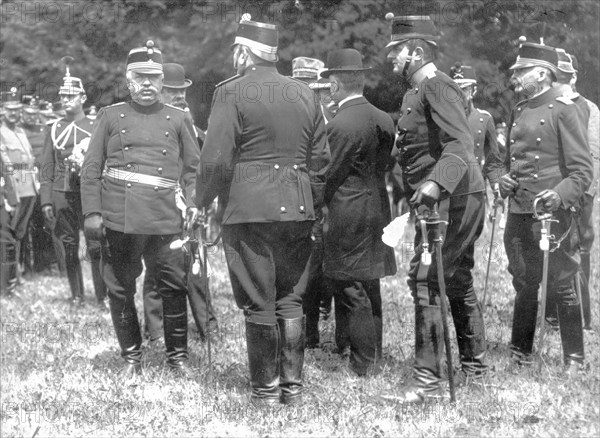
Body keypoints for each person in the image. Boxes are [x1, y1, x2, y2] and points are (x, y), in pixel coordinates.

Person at [195, 15, 330, 405]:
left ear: (242, 52)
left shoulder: (230, 92)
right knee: (290, 298)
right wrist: (313, 203)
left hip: (248, 211)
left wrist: (200, 203)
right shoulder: (305, 93)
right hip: (298, 210)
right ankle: (293, 389)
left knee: (258, 299)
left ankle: (265, 391)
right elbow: (321, 160)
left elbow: (215, 159)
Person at [384, 14, 489, 403]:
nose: (391, 59)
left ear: (417, 51)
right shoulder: (416, 91)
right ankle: (475, 368)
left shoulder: (438, 85)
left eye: (396, 52)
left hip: (453, 197)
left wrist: (433, 183)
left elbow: (460, 144)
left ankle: (426, 384)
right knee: (456, 279)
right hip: (448, 196)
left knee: (426, 279)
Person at [81, 40, 200, 377]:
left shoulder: (178, 119)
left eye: (154, 77)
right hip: (121, 218)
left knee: (174, 287)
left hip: (165, 219)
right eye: (140, 77)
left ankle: (177, 357)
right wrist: (92, 214)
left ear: (162, 81)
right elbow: (91, 168)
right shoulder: (110, 116)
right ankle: (131, 357)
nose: (147, 84)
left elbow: (193, 170)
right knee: (120, 289)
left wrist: (193, 201)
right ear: (128, 80)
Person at [499, 40, 592, 373]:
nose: (514, 78)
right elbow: (512, 161)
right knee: (524, 283)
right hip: (520, 211)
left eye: (520, 72)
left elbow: (582, 171)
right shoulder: (519, 109)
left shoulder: (565, 108)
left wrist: (558, 195)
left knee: (563, 283)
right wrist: (503, 180)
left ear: (542, 73)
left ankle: (574, 360)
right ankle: (520, 353)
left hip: (552, 214)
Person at [319, 48, 396, 375]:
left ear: (335, 85)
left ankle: (364, 365)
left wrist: (314, 205)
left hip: (346, 213)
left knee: (350, 288)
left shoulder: (338, 124)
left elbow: (328, 174)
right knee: (370, 284)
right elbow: (387, 163)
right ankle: (374, 354)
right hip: (378, 208)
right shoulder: (383, 118)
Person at [142, 62, 219, 343]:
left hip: (188, 206)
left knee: (195, 268)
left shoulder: (192, 128)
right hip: (157, 208)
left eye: (182, 91)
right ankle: (155, 331)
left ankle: (208, 328)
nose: (179, 96)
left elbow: (197, 168)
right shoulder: (148, 127)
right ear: (160, 91)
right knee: (155, 271)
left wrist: (197, 201)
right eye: (172, 91)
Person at [39, 61, 107, 307]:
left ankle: (102, 295)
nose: (66, 99)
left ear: (83, 97)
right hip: (61, 194)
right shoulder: (54, 127)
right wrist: (46, 199)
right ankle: (77, 295)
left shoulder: (95, 125)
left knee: (96, 245)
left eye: (71, 95)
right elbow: (46, 165)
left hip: (88, 195)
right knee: (68, 247)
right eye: (63, 96)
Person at [552, 51, 599, 331]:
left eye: (565, 76)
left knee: (580, 247)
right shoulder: (546, 106)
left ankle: (583, 316)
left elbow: (593, 157)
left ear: (575, 77)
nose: (561, 81)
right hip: (553, 190)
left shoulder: (590, 109)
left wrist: (584, 194)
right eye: (556, 76)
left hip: (580, 191)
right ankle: (554, 312)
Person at [289, 56, 332, 349]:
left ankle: (312, 330)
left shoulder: (328, 121)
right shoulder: (285, 119)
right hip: (292, 202)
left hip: (324, 205)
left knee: (317, 271)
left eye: (313, 88)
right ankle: (300, 331)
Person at [0, 87, 38, 289]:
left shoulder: (21, 131)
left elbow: (28, 159)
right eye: (9, 109)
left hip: (29, 187)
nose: (13, 113)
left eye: (16, 109)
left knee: (20, 234)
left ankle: (18, 274)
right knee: (9, 234)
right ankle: (10, 279)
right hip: (13, 187)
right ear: (2, 110)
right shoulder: (1, 132)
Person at [449, 63, 503, 190]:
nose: (459, 95)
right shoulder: (442, 118)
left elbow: (493, 161)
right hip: (447, 192)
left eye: (464, 89)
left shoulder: (484, 119)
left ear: (473, 90)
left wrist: (496, 186)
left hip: (474, 189)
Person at [20, 96, 57, 274]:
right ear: (21, 112)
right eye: (28, 113)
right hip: (23, 184)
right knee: (23, 228)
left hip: (41, 184)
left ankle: (43, 265)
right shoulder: (16, 131)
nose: (32, 117)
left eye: (35, 113)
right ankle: (25, 267)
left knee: (42, 226)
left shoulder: (43, 130)